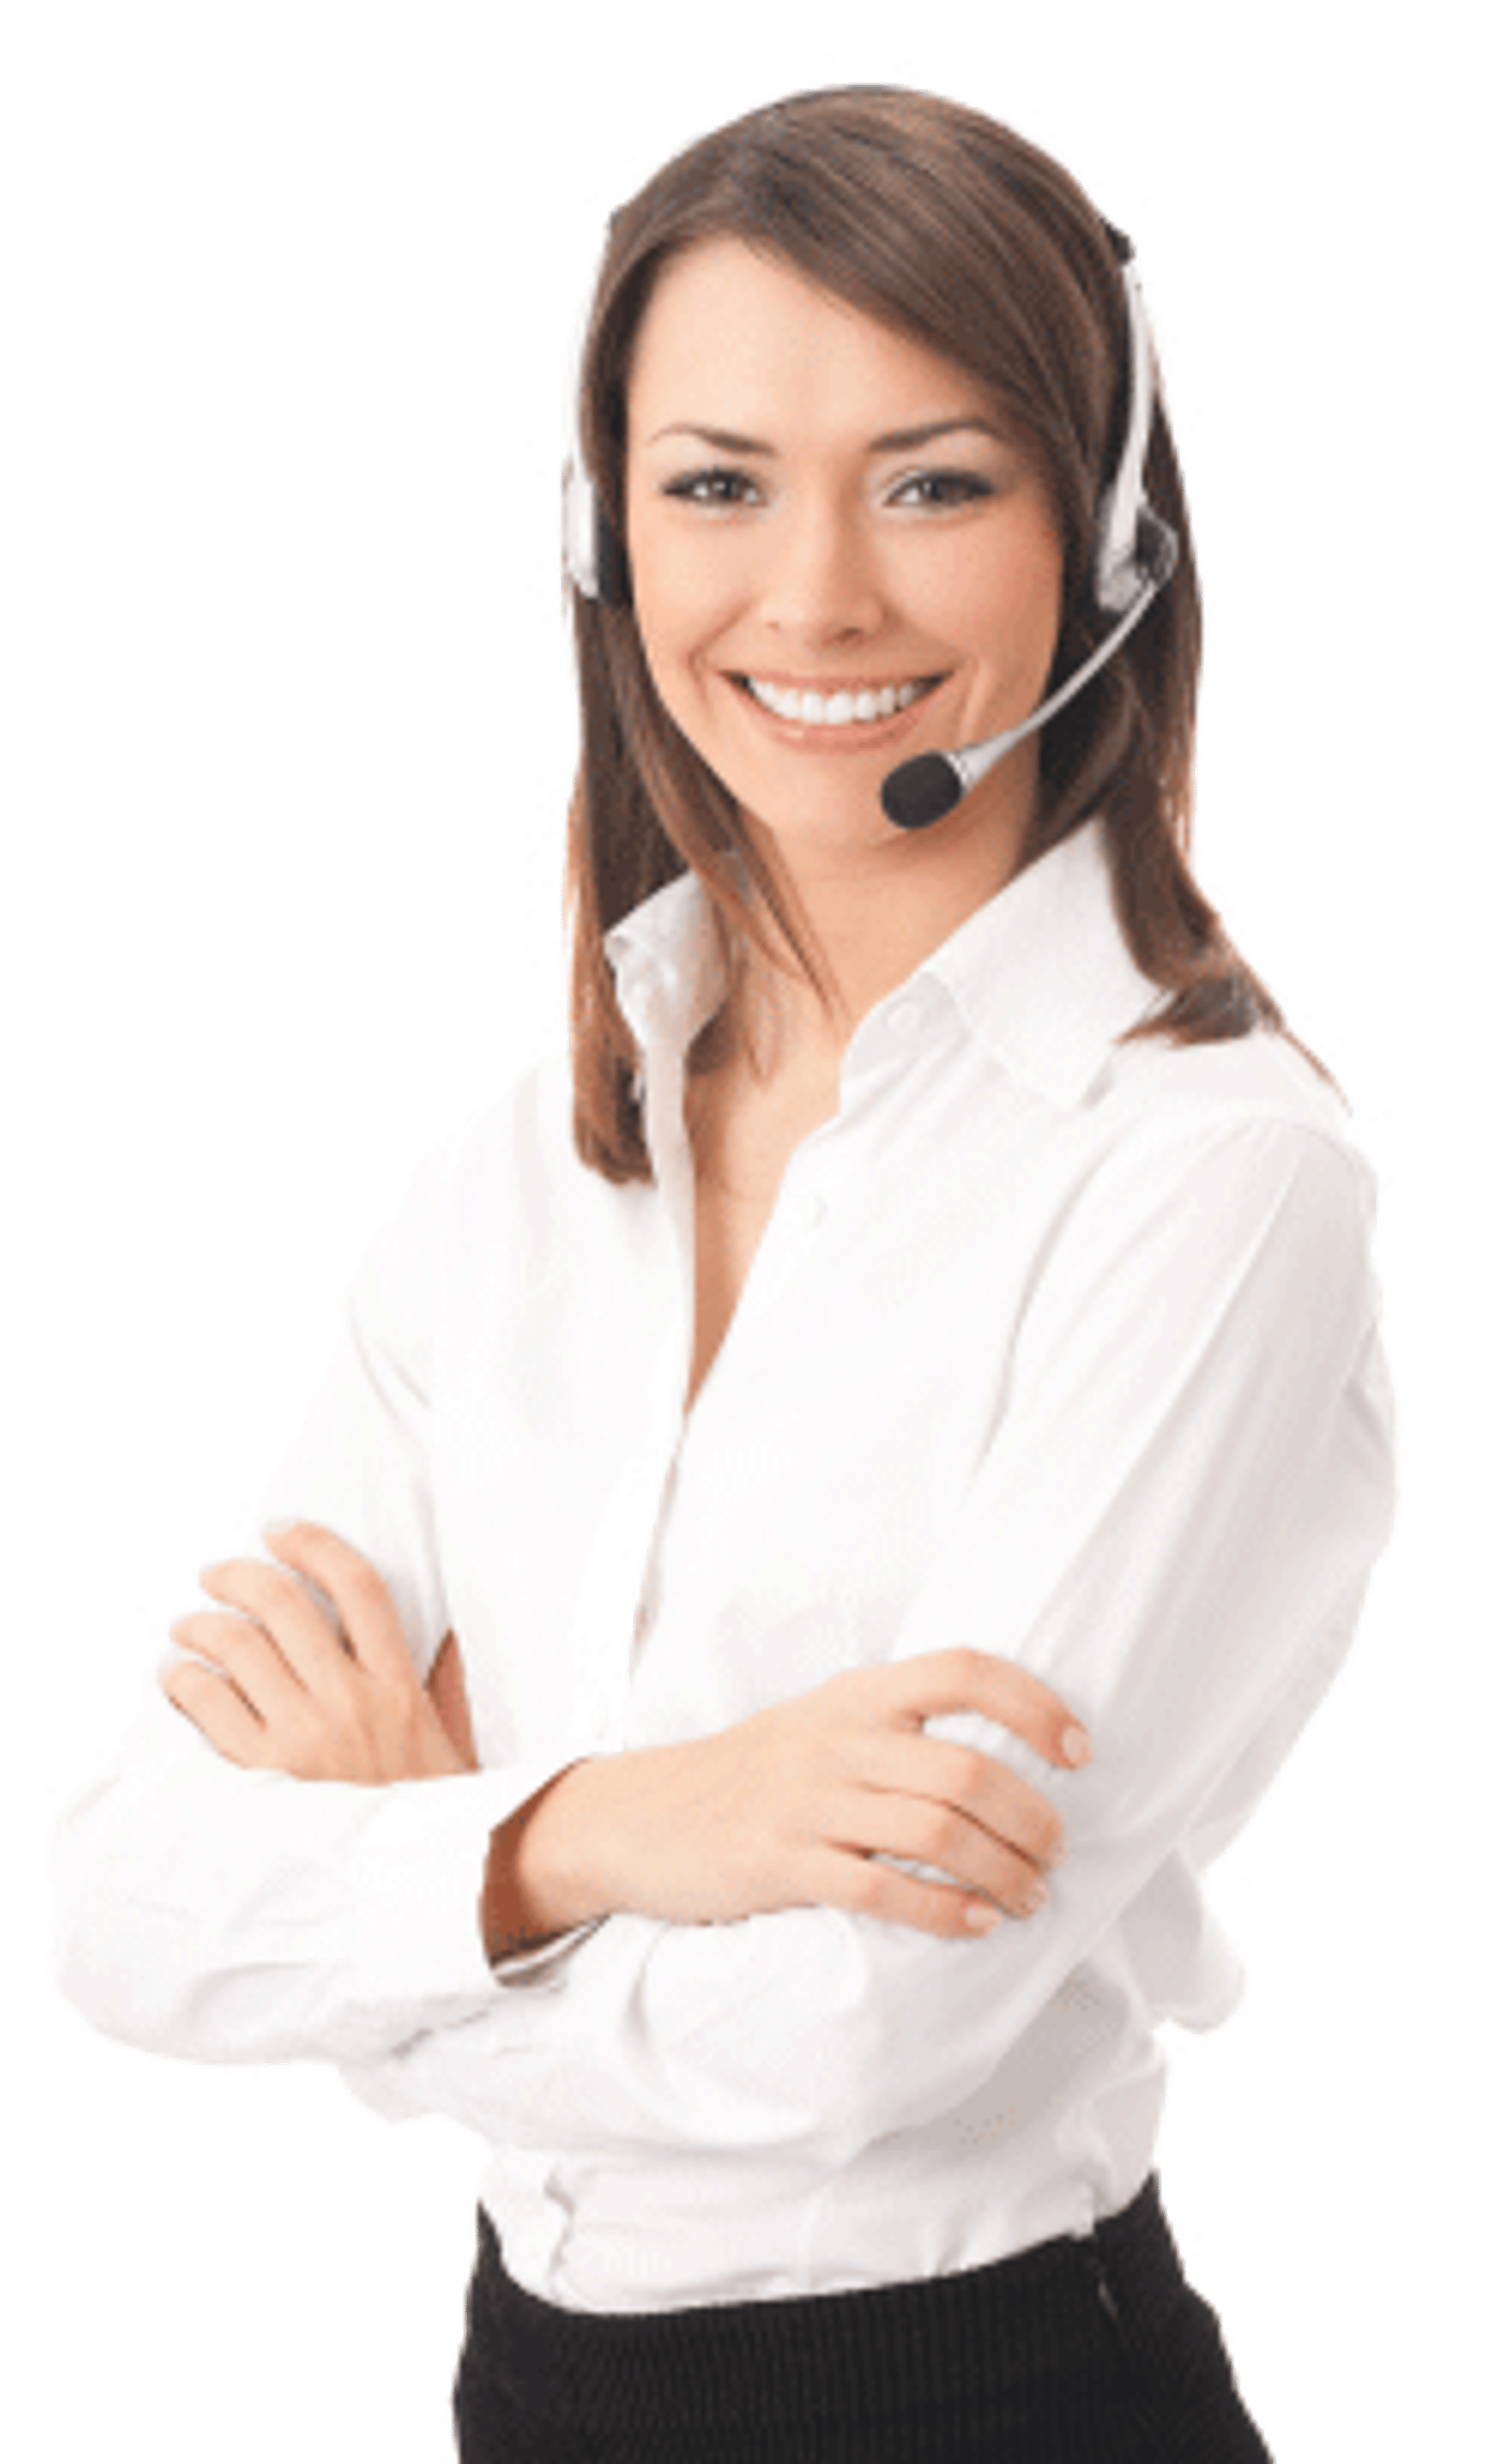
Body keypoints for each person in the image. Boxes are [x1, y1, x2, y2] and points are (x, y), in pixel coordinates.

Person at [47, 85, 1400, 2463]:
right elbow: (125, 1907)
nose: (816, 600)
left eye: (938, 480)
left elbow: (866, 2038)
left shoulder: (1199, 1182)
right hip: (537, 2392)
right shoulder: (524, 1179)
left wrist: (398, 1875)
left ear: (1101, 550)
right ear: (602, 539)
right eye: (717, 484)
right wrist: (622, 1835)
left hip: (984, 2398)